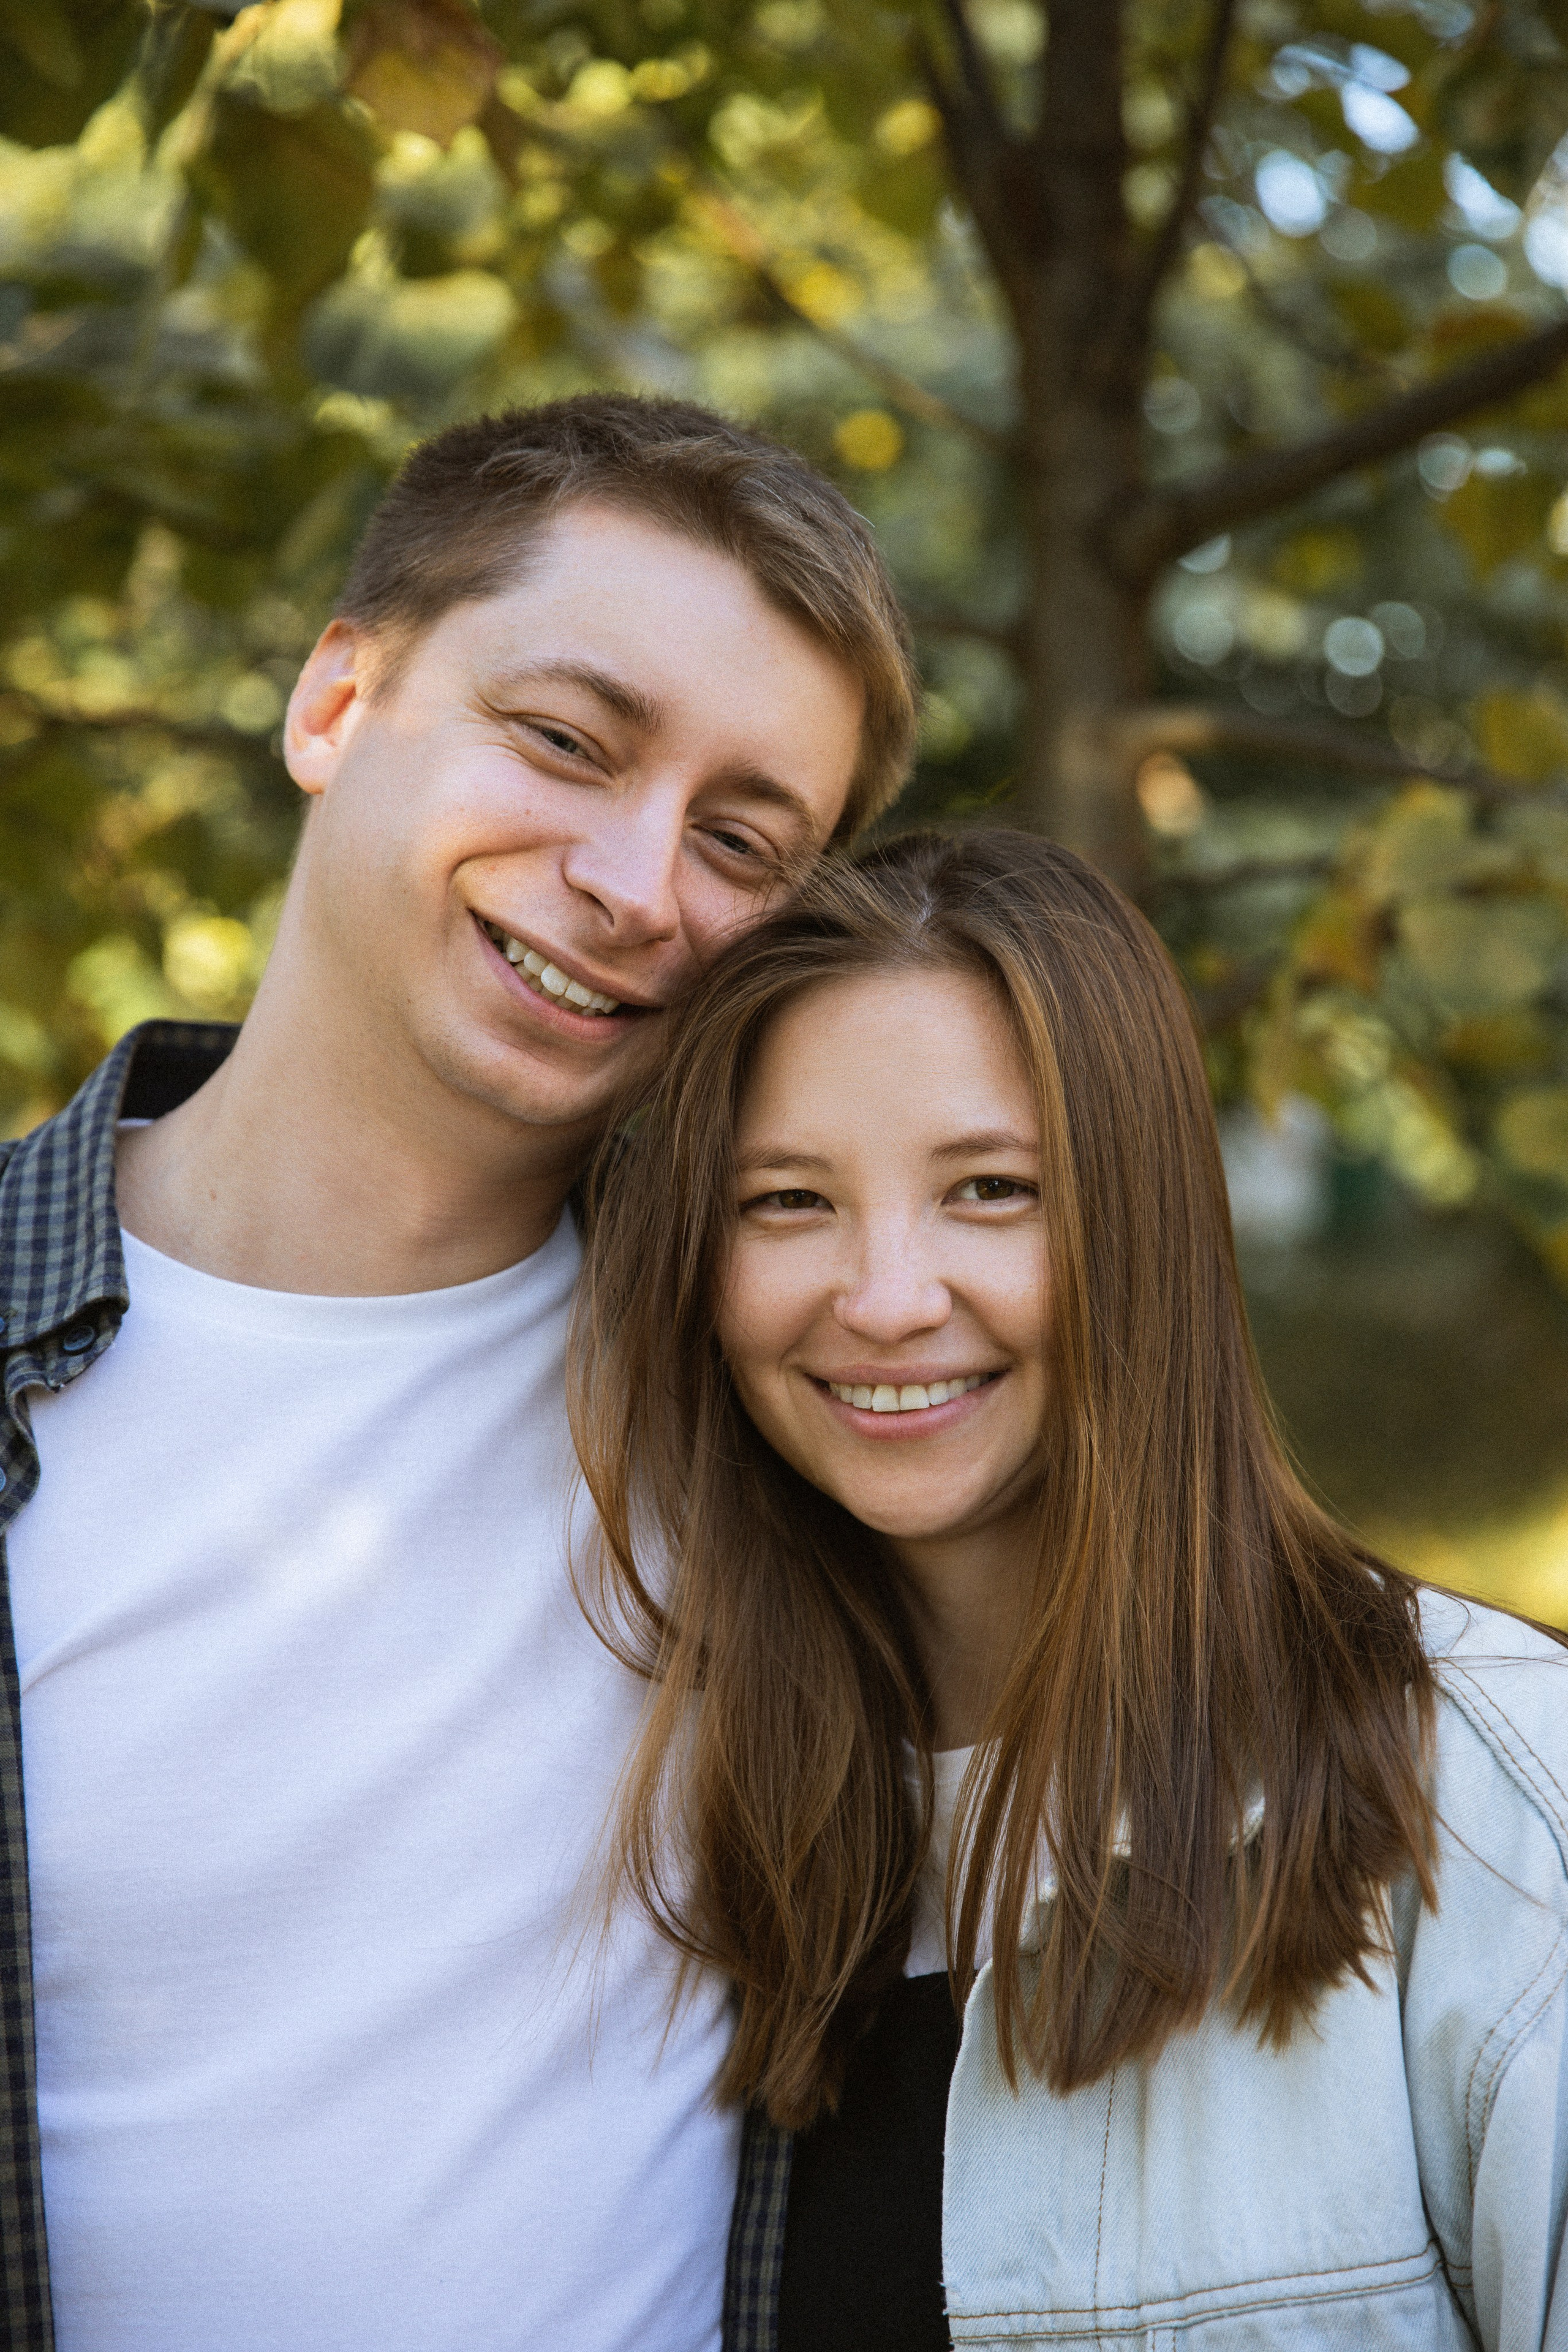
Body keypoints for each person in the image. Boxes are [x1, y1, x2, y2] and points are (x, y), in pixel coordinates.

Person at [0, 393, 918, 2351]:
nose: (638, 881)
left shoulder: (800, 1421)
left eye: (745, 842)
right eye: (568, 742)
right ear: (338, 702)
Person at [570, 827, 1568, 2352]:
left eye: (988, 1188)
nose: (888, 1299)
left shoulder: (1494, 1805)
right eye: (785, 1201)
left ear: (1140, 1225)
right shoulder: (688, 1819)